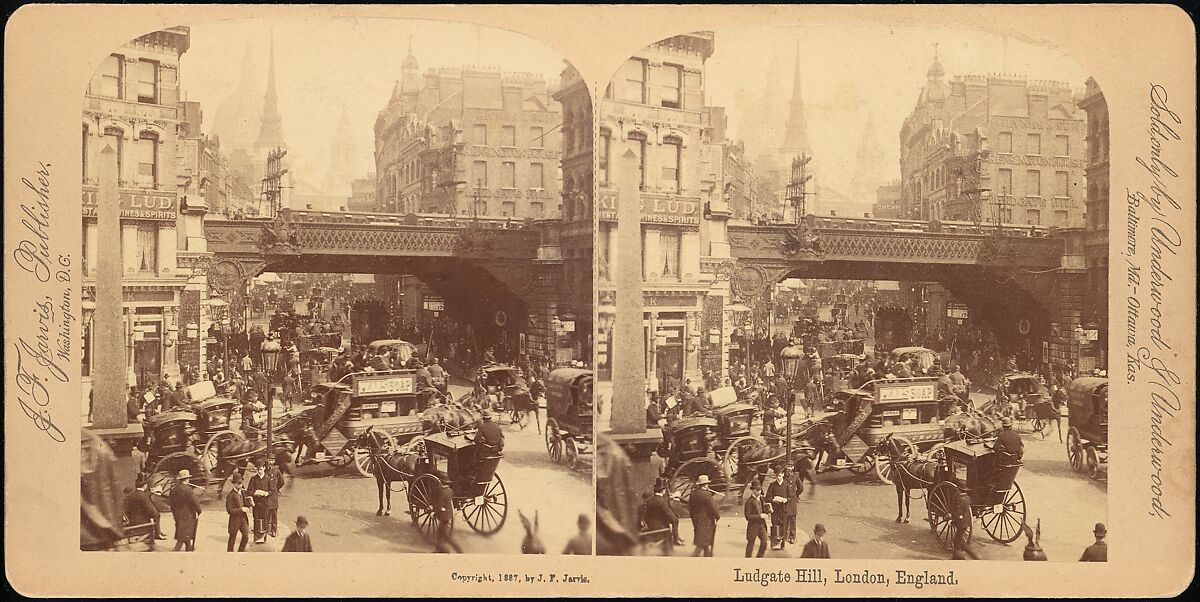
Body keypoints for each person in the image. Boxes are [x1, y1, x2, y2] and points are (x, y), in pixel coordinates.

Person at [641, 480, 683, 547]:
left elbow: (661, 501)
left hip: (650, 525)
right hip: (660, 528)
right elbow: (672, 517)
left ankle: (676, 538)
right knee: (675, 520)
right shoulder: (662, 502)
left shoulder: (650, 500)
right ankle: (676, 539)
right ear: (663, 490)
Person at [687, 474, 720, 557]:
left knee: (703, 541)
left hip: (696, 521)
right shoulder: (707, 495)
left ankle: (707, 555)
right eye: (707, 484)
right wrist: (717, 516)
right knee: (702, 542)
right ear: (705, 485)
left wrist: (694, 517)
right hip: (707, 521)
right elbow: (713, 508)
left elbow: (690, 507)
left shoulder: (693, 494)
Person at [169, 469, 201, 551]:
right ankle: (176, 552)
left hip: (177, 515)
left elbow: (171, 503)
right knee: (183, 537)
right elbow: (195, 502)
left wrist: (174, 513)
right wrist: (199, 511)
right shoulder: (188, 490)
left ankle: (189, 548)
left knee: (184, 535)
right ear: (187, 479)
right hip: (188, 516)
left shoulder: (174, 489)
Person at [433, 481, 462, 553]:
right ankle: (457, 550)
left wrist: (434, 512)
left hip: (444, 517)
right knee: (443, 536)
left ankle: (446, 551)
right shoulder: (450, 491)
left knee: (443, 536)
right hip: (448, 515)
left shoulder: (442, 492)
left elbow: (439, 505)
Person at [225, 472, 251, 552]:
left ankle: (240, 551)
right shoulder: (230, 495)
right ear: (234, 484)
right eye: (239, 483)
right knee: (232, 539)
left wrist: (250, 503)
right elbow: (229, 510)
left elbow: (246, 504)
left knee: (246, 536)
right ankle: (230, 554)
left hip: (243, 519)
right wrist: (241, 509)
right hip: (235, 520)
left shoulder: (243, 492)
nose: (241, 485)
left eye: (241, 483)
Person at [764, 469, 789, 550]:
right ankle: (774, 544)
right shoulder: (772, 485)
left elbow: (791, 497)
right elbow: (767, 497)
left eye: (779, 475)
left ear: (783, 474)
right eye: (776, 476)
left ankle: (782, 545)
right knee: (774, 526)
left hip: (783, 509)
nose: (778, 477)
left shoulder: (786, 485)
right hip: (774, 510)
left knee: (783, 526)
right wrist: (774, 500)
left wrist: (785, 500)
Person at [744, 480, 770, 558]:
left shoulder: (762, 499)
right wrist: (760, 516)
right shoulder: (749, 502)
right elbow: (748, 517)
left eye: (760, 489)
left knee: (764, 543)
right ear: (752, 490)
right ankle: (747, 560)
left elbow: (764, 510)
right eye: (757, 490)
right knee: (750, 544)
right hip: (753, 526)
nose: (759, 491)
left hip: (762, 525)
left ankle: (759, 557)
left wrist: (769, 510)